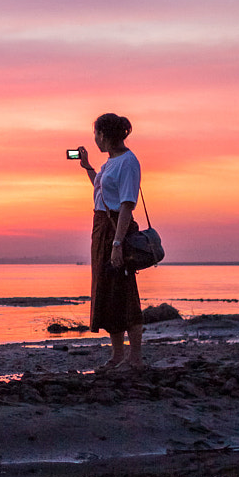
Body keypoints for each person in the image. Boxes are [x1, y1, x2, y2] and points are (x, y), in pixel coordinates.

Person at [75, 112, 143, 370]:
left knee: (124, 292)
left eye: (96, 134)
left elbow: (126, 205)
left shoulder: (128, 161)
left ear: (104, 135)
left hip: (116, 230)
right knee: (107, 291)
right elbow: (101, 190)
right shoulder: (109, 162)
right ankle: (117, 355)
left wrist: (117, 243)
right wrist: (88, 167)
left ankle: (135, 357)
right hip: (101, 228)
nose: (94, 139)